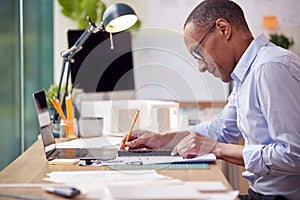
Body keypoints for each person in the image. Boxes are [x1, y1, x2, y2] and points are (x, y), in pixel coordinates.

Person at [120, 0, 300, 199]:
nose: (201, 67)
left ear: (223, 29)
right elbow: (219, 130)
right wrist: (162, 140)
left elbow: (294, 155)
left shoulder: (271, 67)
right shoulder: (245, 75)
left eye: (199, 52)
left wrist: (217, 149)